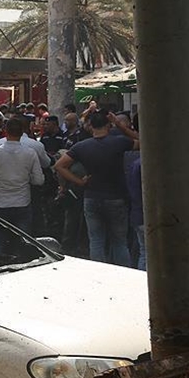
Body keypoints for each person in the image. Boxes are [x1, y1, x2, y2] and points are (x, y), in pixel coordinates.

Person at [54, 111, 139, 267]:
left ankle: (99, 271)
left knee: (96, 240)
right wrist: (120, 125)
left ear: (90, 126)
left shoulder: (81, 147)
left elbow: (59, 165)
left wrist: (79, 182)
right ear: (108, 125)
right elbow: (141, 141)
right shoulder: (119, 142)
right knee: (119, 241)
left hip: (91, 195)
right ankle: (123, 272)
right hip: (116, 196)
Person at [0, 118, 45, 252]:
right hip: (22, 202)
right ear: (22, 133)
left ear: (5, 132)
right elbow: (39, 180)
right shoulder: (30, 153)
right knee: (23, 243)